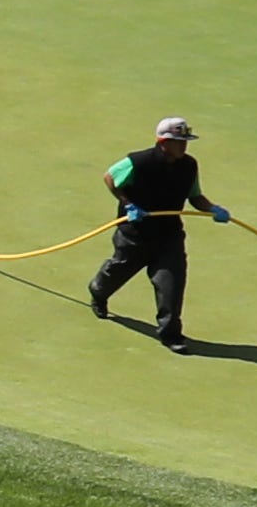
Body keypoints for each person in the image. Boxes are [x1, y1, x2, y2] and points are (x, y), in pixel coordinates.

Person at [92, 118, 228, 344]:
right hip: (135, 234)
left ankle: (171, 334)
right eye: (178, 141)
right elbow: (110, 178)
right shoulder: (138, 161)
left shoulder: (189, 166)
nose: (184, 146)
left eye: (185, 141)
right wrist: (128, 204)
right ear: (163, 141)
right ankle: (98, 291)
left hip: (169, 236)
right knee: (118, 271)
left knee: (171, 285)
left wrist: (213, 208)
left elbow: (194, 196)